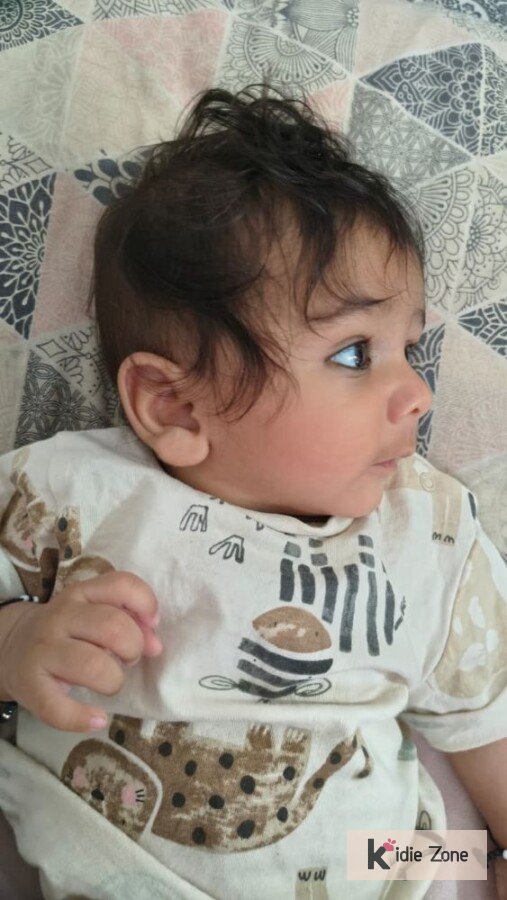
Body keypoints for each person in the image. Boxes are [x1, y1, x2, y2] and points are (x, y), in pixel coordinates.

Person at [0, 85, 505, 900]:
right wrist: (15, 639)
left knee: (455, 856)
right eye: (354, 354)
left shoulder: (430, 530)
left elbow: (485, 722)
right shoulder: (73, 492)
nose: (418, 393)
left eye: (408, 349)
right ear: (176, 407)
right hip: (115, 872)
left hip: (372, 867)